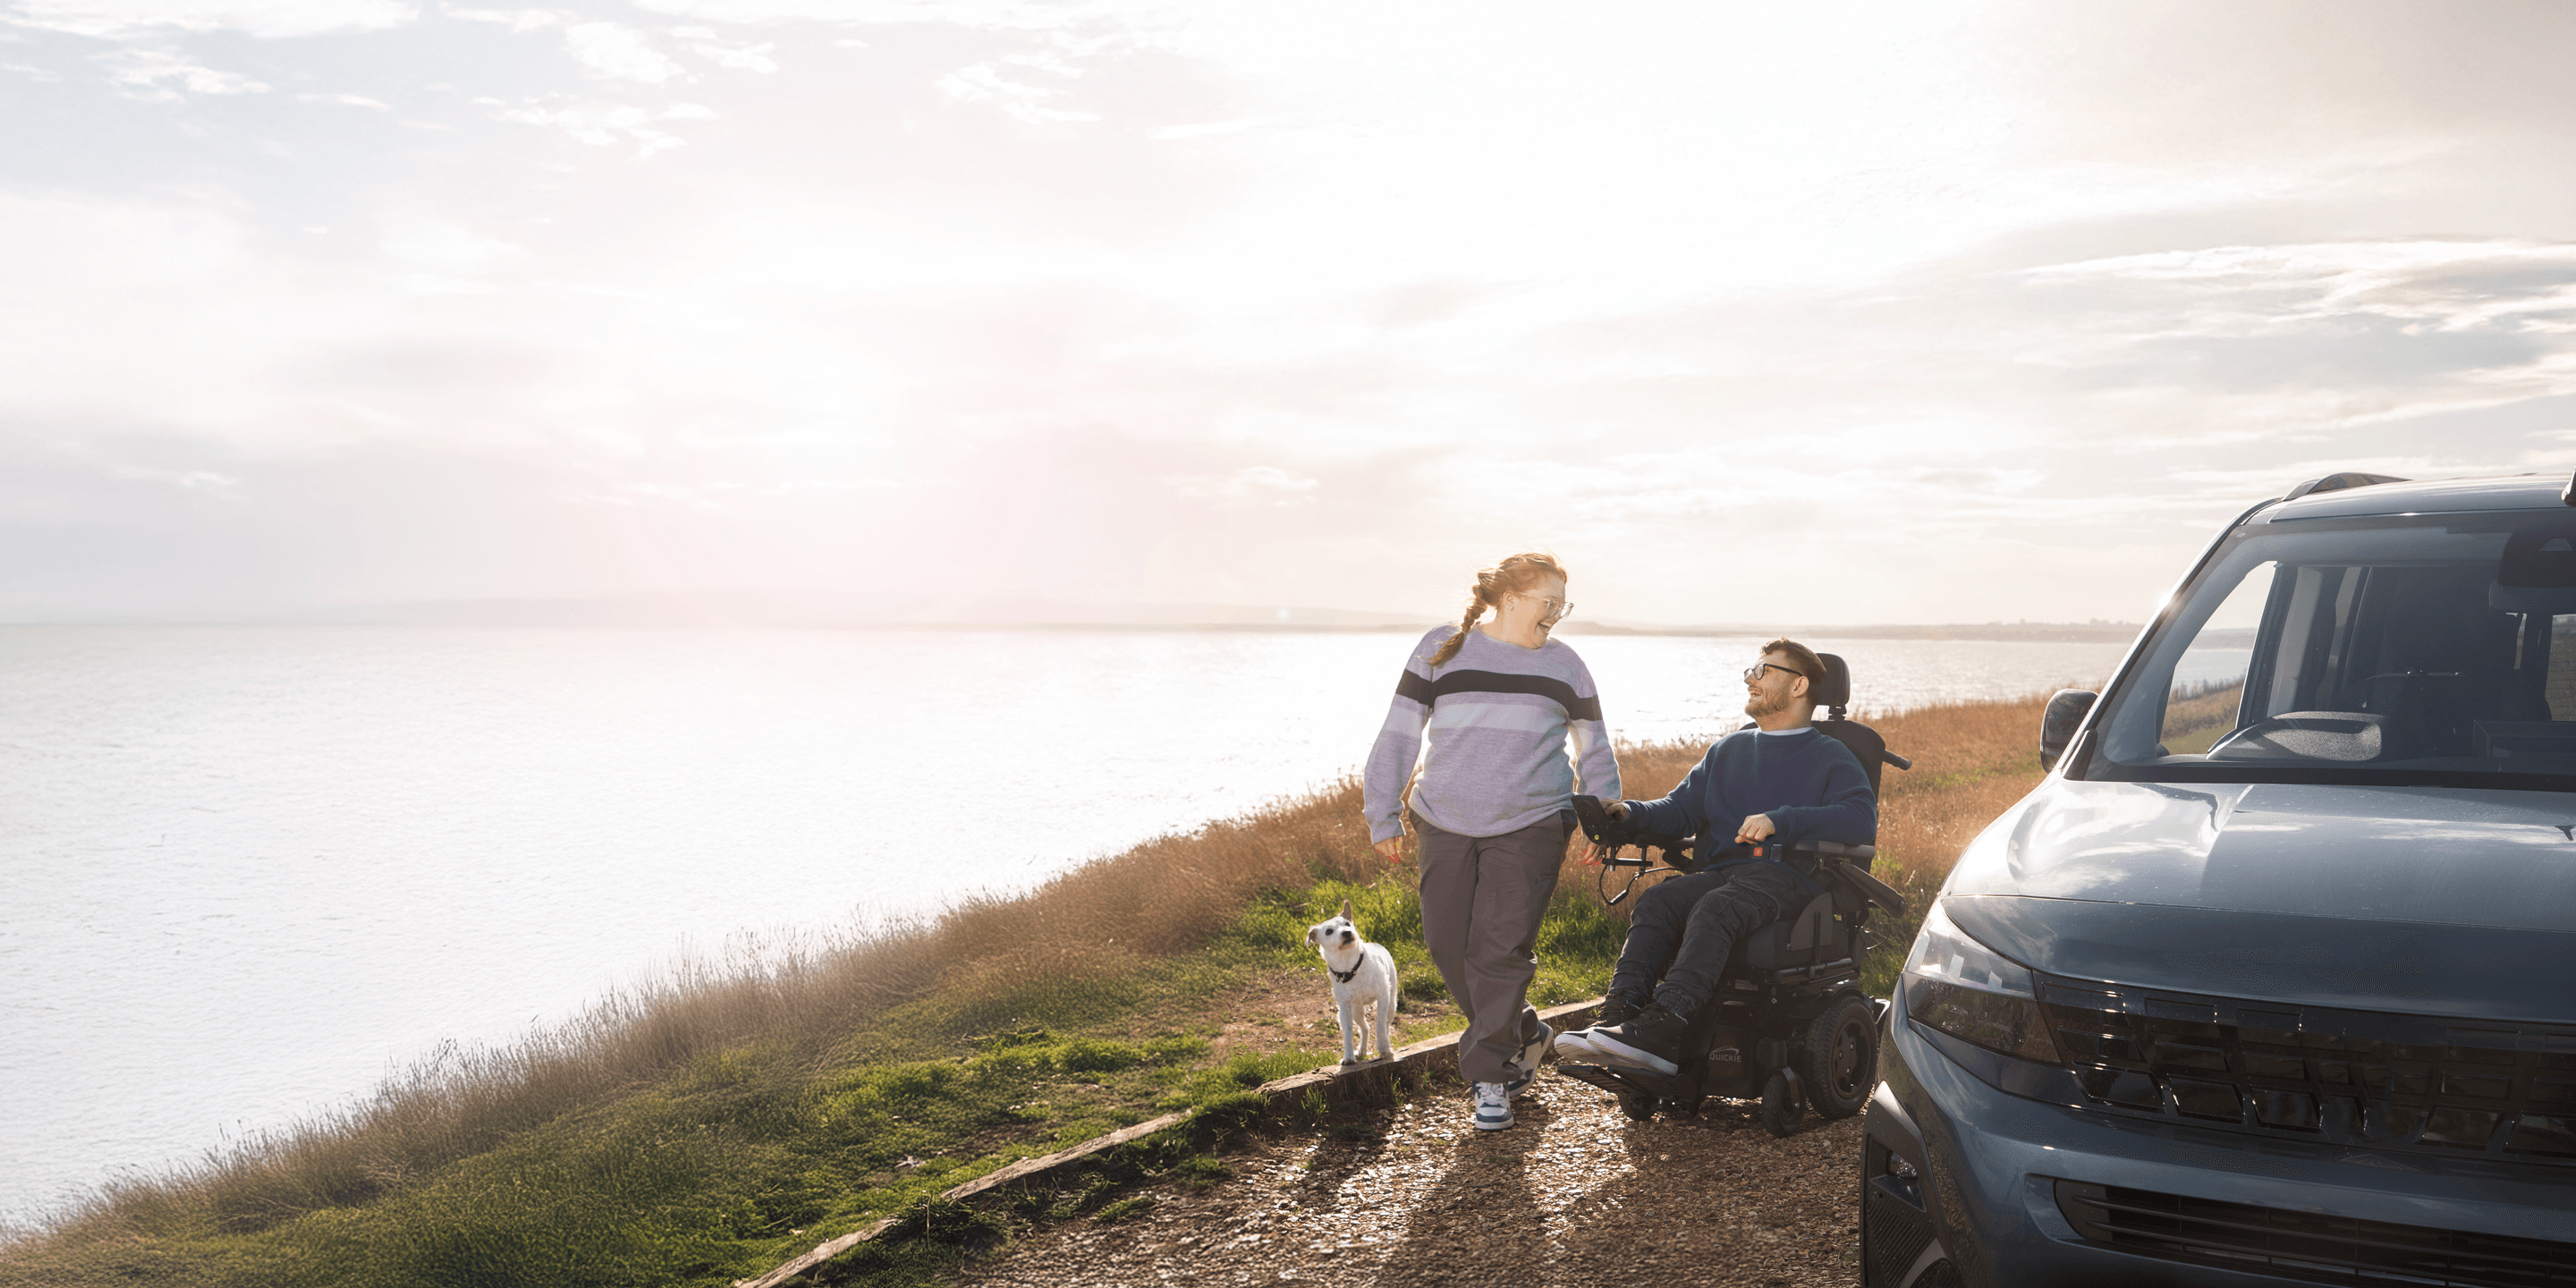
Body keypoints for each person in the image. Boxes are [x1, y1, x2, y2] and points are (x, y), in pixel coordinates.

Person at [1363, 551, 1621, 1131]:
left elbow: (1595, 748)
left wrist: (1603, 819)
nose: (1556, 613)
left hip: (1534, 819)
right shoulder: (1443, 649)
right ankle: (1523, 1031)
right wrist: (1382, 811)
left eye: (1563, 605)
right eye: (1547, 602)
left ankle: (1491, 1078)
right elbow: (1400, 731)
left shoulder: (1568, 667)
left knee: (1500, 950)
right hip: (1444, 816)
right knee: (1446, 941)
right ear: (1510, 599)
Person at [1555, 638, 1875, 1078]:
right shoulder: (1729, 751)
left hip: (1792, 879)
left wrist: (1782, 820)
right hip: (1728, 874)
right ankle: (1620, 1020)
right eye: (1751, 670)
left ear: (1799, 685)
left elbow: (1859, 820)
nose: (1750, 678)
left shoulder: (1832, 756)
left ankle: (1666, 1029)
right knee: (1659, 901)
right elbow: (1680, 809)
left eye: (1763, 671)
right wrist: (1628, 813)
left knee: (1716, 907)